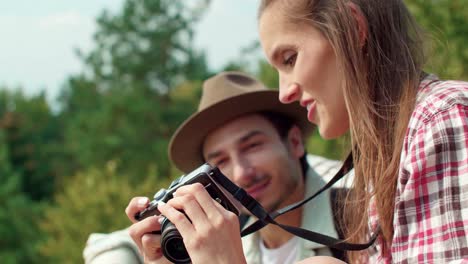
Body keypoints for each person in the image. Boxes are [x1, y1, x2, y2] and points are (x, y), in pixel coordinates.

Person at [255, 0, 468, 263]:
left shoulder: (440, 121)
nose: (284, 93)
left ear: (352, 28)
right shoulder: (388, 154)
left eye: (290, 59)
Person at [89, 71, 348, 264]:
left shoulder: (364, 215)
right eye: (220, 162)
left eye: (252, 146)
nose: (241, 173)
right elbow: (110, 242)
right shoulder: (223, 236)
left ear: (294, 143)